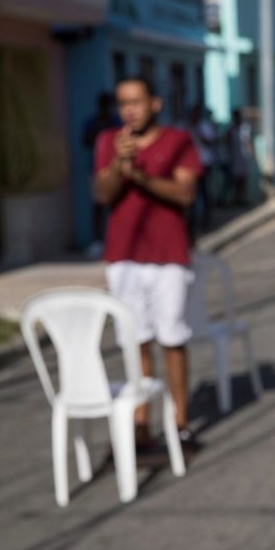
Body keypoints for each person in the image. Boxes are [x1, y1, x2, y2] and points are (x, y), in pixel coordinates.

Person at [93, 76, 203, 459]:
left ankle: (180, 422)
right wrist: (120, 163)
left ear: (154, 103)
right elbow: (103, 195)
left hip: (168, 255)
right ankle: (141, 423)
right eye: (123, 103)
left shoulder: (178, 141)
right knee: (134, 341)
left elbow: (184, 194)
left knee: (172, 338)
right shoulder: (108, 142)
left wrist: (139, 175)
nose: (130, 110)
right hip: (123, 257)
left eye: (137, 102)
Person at [82, 92, 121, 256]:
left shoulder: (116, 122)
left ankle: (116, 240)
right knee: (98, 206)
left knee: (116, 206)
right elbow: (84, 141)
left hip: (117, 169)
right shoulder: (93, 122)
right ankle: (98, 241)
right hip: (97, 169)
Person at [226, 108, 253, 206]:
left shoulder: (244, 128)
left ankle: (242, 197)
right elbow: (228, 141)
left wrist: (251, 154)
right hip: (235, 156)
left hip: (243, 156)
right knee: (236, 178)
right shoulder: (231, 129)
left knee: (243, 178)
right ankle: (237, 198)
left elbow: (248, 142)